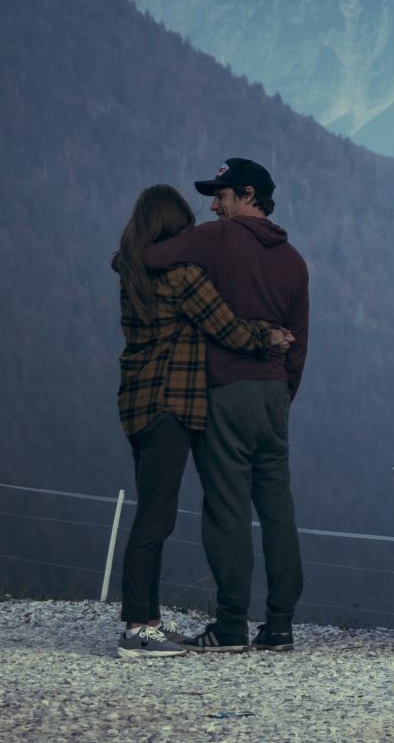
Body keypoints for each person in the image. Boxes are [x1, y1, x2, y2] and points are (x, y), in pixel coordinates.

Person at [114, 184, 293, 660]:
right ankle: (136, 628)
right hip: (172, 405)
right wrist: (269, 336)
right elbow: (226, 327)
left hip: (137, 405)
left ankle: (147, 620)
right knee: (155, 519)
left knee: (151, 510)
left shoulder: (131, 271)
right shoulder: (183, 277)